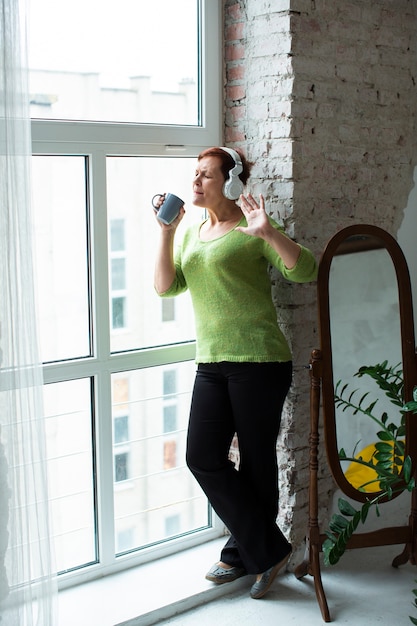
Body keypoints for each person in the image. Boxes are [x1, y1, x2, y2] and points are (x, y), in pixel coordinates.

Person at [153, 146, 317, 599]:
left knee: (257, 463)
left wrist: (268, 234)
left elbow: (305, 270)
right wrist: (167, 233)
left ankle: (240, 555)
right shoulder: (190, 233)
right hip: (212, 362)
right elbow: (165, 287)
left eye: (206, 175)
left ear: (230, 182)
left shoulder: (252, 227)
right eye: (196, 174)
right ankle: (265, 551)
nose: (196, 183)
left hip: (260, 362)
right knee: (201, 456)